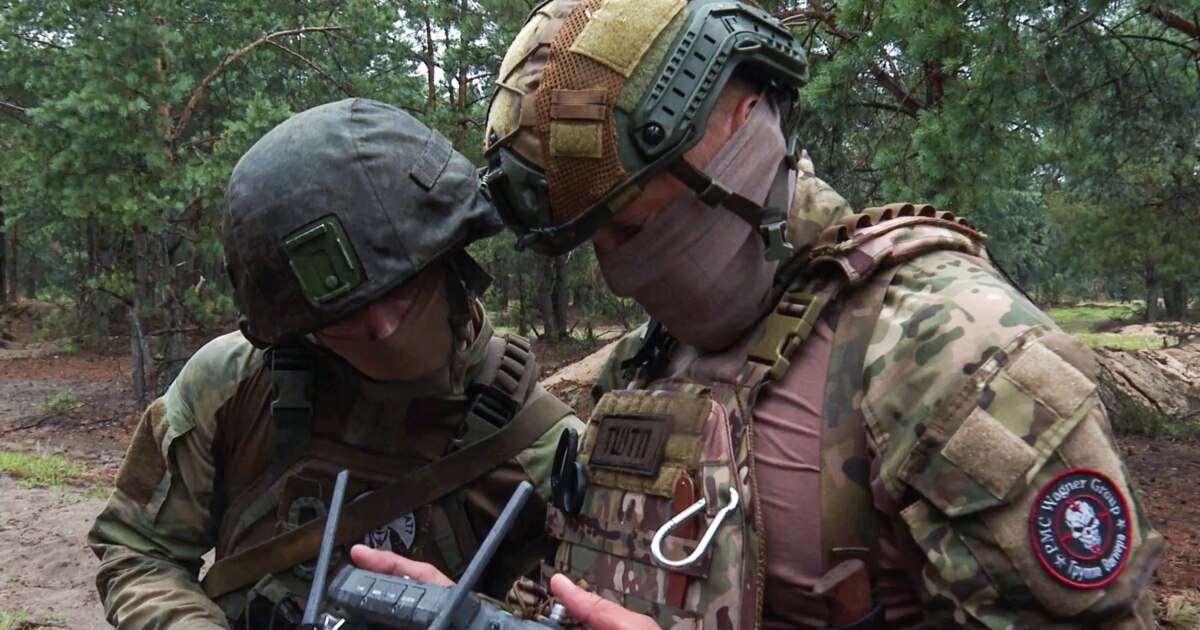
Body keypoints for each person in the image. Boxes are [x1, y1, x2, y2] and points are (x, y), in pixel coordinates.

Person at [474, 0, 1165, 628]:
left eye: (634, 228)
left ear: (743, 134)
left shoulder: (952, 348)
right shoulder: (645, 360)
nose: (620, 276)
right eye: (593, 242)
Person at [87, 98, 583, 629]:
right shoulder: (233, 384)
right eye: (344, 313)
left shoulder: (544, 450)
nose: (383, 329)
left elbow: (584, 612)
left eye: (401, 288)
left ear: (450, 261)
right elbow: (138, 549)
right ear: (293, 321)